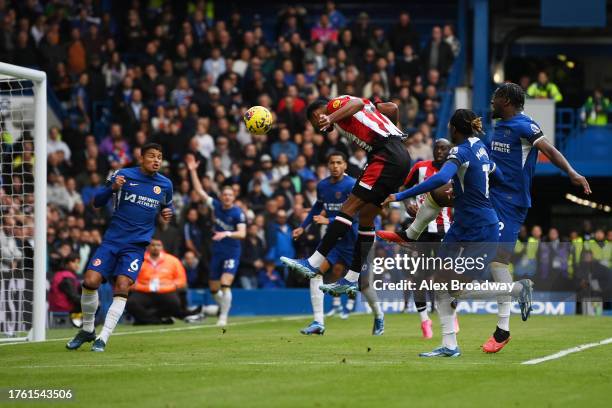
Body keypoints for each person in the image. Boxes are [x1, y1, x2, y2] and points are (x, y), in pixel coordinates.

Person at [382, 83, 591, 353]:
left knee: (496, 263)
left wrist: (571, 173)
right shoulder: (494, 132)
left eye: (495, 98)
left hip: (510, 203)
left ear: (506, 100)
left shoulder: (525, 126)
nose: (491, 102)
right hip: (486, 193)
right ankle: (411, 234)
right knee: (439, 195)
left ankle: (503, 328)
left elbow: (550, 150)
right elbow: (494, 167)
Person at [383, 109, 532, 358]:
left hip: (479, 231)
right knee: (441, 284)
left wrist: (400, 195)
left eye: (450, 127)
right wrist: (468, 189)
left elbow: (441, 177)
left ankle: (515, 290)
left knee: (455, 288)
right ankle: (449, 345)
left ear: (454, 128)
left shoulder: (460, 150)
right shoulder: (480, 147)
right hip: (462, 227)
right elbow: (499, 174)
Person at [280, 94, 411, 300]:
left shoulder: (334, 106)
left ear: (318, 113)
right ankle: (352, 277)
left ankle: (313, 262)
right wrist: (387, 128)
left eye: (315, 121)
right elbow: (393, 107)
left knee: (348, 208)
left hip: (384, 156)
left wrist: (331, 118)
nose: (318, 126)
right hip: (399, 155)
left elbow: (357, 103)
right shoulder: (367, 109)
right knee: (367, 217)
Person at [66, 143, 174, 352]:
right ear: (141, 157)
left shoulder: (165, 184)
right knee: (90, 281)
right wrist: (112, 188)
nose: (156, 160)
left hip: (136, 246)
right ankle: (88, 330)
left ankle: (102, 338)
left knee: (122, 286)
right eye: (152, 156)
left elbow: (167, 206)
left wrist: (168, 212)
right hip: (112, 241)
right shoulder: (122, 174)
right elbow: (97, 202)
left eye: (159, 157)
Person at [292, 152, 385, 336]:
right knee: (315, 273)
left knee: (364, 285)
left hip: (355, 241)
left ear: (345, 166)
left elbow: (359, 213)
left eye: (339, 162)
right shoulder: (323, 186)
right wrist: (303, 227)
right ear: (328, 165)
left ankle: (379, 316)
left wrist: (331, 220)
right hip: (336, 243)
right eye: (332, 163)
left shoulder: (352, 185)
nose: (335, 166)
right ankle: (318, 322)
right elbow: (317, 208)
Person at [377, 138, 453, 338]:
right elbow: (404, 188)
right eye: (437, 148)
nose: (439, 151)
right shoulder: (420, 168)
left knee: (445, 277)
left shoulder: (455, 171)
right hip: (422, 231)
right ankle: (424, 320)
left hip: (446, 231)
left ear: (450, 151)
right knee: (419, 277)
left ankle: (449, 316)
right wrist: (408, 204)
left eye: (444, 148)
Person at [186, 155, 246, 327]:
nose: (227, 197)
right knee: (214, 289)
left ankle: (223, 317)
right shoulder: (216, 206)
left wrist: (226, 234)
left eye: (230, 195)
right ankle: (224, 305)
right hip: (217, 251)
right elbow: (199, 191)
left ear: (234, 197)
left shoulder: (237, 213)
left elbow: (242, 234)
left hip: (232, 252)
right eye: (224, 195)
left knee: (225, 284)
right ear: (220, 197)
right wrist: (193, 171)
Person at [126, 238, 188, 325]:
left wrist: (170, 286)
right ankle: (157, 320)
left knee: (174, 302)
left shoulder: (173, 260)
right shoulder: (138, 260)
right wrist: (143, 287)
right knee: (131, 303)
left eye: (158, 245)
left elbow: (182, 281)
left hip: (166, 291)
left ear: (162, 247)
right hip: (144, 291)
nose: (155, 247)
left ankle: (146, 319)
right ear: (148, 247)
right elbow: (130, 280)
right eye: (153, 245)